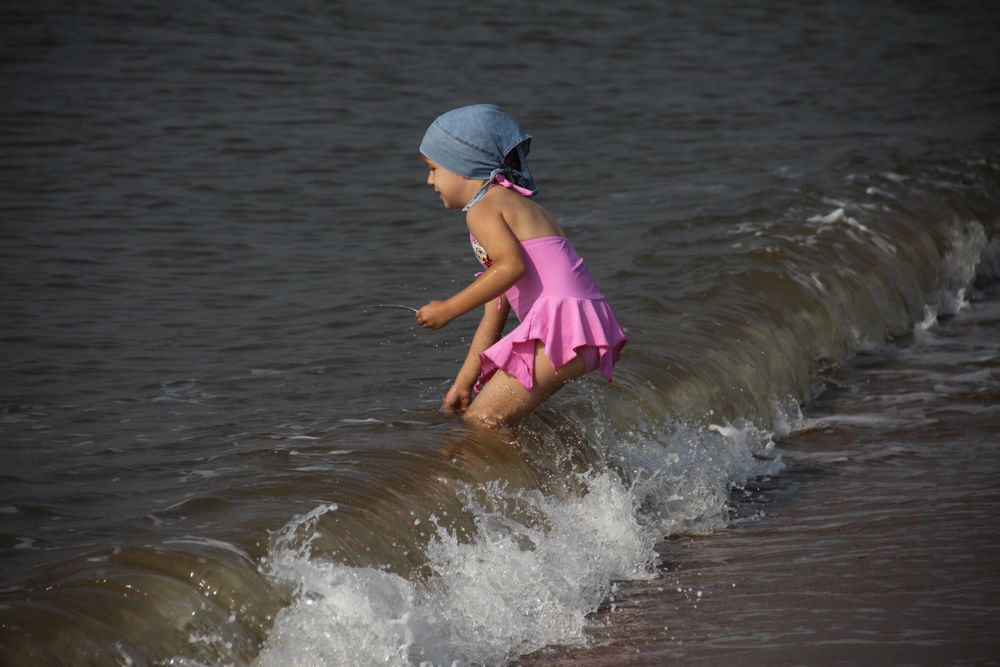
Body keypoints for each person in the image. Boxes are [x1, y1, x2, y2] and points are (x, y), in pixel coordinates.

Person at [415, 104, 627, 427]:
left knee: (483, 418)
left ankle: (517, 479)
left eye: (433, 168)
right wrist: (463, 383)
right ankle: (569, 476)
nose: (430, 181)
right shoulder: (518, 205)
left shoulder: (483, 209)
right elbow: (494, 314)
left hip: (561, 323)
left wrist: (447, 310)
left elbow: (511, 266)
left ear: (462, 165)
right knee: (507, 419)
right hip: (584, 322)